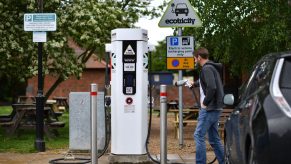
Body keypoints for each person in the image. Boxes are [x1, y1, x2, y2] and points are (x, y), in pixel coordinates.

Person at [193, 47, 224, 164]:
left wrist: (205, 103)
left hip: (209, 108)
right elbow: (207, 82)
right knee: (214, 139)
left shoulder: (206, 69)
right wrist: (195, 84)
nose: (194, 61)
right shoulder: (211, 68)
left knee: (198, 135)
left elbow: (212, 87)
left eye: (195, 58)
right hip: (215, 107)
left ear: (199, 57)